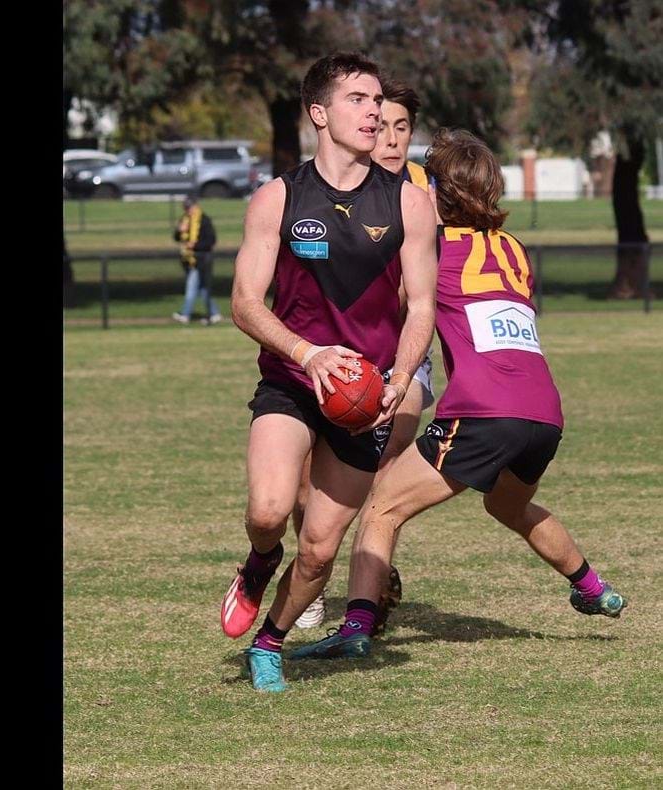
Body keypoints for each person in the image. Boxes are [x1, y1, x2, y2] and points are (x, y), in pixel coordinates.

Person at [288, 128, 626, 663]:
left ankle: (354, 627)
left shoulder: (436, 247)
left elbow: (392, 307)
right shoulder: (514, 250)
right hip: (544, 414)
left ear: (439, 193)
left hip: (484, 411)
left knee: (380, 508)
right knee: (508, 504)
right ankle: (594, 588)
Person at [219, 52, 438, 693]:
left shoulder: (409, 204)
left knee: (319, 549)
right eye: (359, 100)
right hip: (291, 382)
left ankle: (271, 641)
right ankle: (259, 563)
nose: (375, 113)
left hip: (366, 397)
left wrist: (399, 378)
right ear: (320, 113)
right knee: (268, 513)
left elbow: (422, 305)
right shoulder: (277, 197)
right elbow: (244, 303)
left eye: (378, 102)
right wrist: (307, 355)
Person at [292, 79, 434, 632]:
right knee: (308, 487)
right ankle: (311, 569)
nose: (392, 138)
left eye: (403, 128)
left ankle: (369, 587)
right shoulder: (322, 190)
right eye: (385, 125)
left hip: (402, 357)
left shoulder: (424, 197)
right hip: (327, 353)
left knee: (386, 468)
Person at [171, 195, 222, 325]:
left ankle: (185, 314)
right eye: (186, 208)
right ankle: (214, 313)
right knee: (202, 289)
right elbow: (177, 238)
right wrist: (179, 230)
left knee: (191, 287)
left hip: (202, 259)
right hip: (188, 260)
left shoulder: (204, 220)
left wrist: (194, 245)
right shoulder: (184, 220)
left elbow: (211, 241)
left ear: (195, 206)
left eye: (189, 207)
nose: (188, 210)